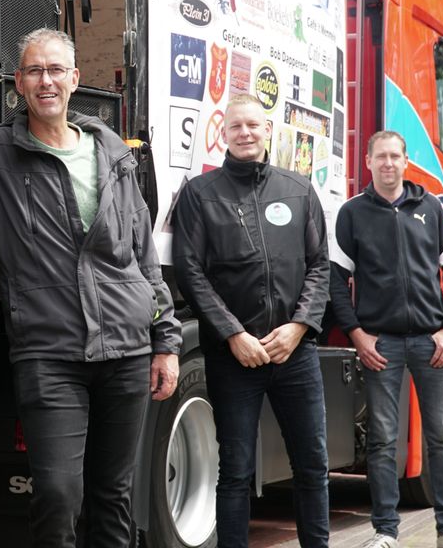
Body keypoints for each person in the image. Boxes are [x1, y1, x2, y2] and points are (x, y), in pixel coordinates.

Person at [0, 28, 181, 548]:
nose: (45, 81)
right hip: (50, 351)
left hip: (127, 348)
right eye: (33, 71)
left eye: (55, 70)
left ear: (74, 80)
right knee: (57, 494)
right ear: (18, 85)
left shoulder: (109, 148)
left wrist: (166, 342)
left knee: (113, 496)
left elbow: (143, 253)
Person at [172, 93, 330, 547]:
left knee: (312, 466)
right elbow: (191, 272)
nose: (245, 133)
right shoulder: (200, 194)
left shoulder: (298, 189)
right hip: (234, 358)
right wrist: (233, 334)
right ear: (223, 133)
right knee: (236, 471)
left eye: (253, 126)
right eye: (236, 126)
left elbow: (320, 265)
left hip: (294, 354)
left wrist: (299, 327)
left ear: (268, 131)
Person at [329, 131, 443, 548]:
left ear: (405, 160)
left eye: (395, 156)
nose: (388, 164)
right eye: (380, 156)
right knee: (382, 441)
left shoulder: (431, 208)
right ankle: (385, 533)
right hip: (381, 346)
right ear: (368, 161)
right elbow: (336, 281)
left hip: (431, 344)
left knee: (442, 437)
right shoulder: (352, 214)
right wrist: (358, 335)